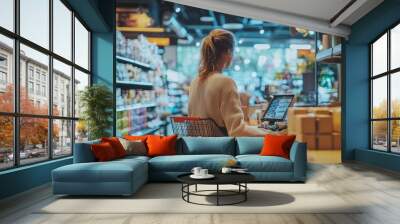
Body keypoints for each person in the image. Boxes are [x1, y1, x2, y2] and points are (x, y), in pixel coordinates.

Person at [188, 29, 268, 137]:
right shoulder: (225, 82)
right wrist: (270, 134)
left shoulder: (195, 81)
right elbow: (237, 131)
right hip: (221, 149)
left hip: (197, 147)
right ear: (228, 52)